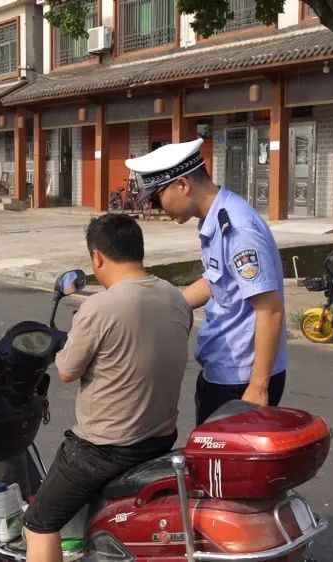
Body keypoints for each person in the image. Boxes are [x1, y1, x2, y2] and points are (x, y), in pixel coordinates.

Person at [24, 214, 193, 562]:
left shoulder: (99, 306)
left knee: (39, 523)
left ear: (97, 257)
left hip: (102, 450)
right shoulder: (175, 297)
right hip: (160, 438)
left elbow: (67, 371)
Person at [126, 138, 288, 425]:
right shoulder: (215, 219)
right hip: (224, 371)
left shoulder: (237, 229)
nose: (158, 207)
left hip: (242, 380)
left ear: (183, 185)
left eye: (156, 198)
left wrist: (258, 386)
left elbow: (270, 309)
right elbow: (216, 281)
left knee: (225, 455)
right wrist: (165, 306)